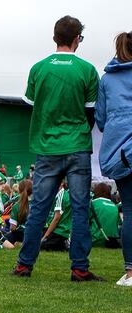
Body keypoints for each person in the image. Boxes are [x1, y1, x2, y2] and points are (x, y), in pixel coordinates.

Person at [12, 15, 102, 281]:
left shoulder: (39, 68)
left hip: (47, 147)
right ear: (77, 39)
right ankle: (79, 268)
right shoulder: (87, 70)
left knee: (39, 207)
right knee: (80, 207)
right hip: (77, 146)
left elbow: (30, 103)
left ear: (54, 38)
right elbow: (91, 113)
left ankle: (24, 264)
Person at [95, 31, 132, 286]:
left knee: (129, 211)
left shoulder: (107, 80)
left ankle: (130, 272)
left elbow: (100, 119)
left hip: (122, 154)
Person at [89, 183, 122, 249]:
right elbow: (118, 224)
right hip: (111, 242)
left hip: (95, 240)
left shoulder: (92, 203)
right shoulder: (115, 206)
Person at [5, 179, 33, 245]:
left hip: (21, 235)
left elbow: (13, 228)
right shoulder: (38, 204)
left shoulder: (16, 206)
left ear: (19, 190)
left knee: (5, 237)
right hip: (36, 234)